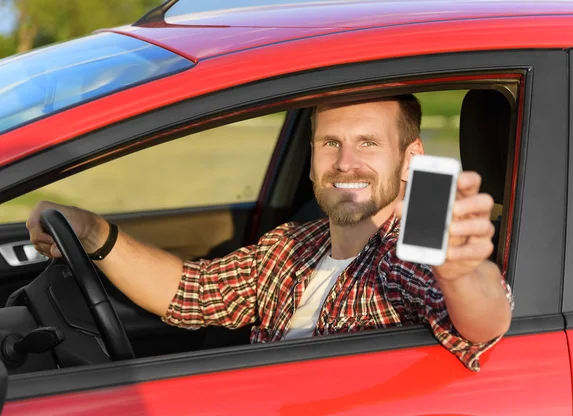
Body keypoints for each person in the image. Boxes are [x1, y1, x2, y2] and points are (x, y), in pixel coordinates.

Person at [27, 95, 513, 371]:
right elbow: (191, 293)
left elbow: (483, 324)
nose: (346, 162)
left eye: (368, 142)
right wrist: (91, 231)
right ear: (312, 159)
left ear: (410, 157)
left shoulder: (410, 255)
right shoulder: (291, 246)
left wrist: (459, 273)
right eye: (330, 143)